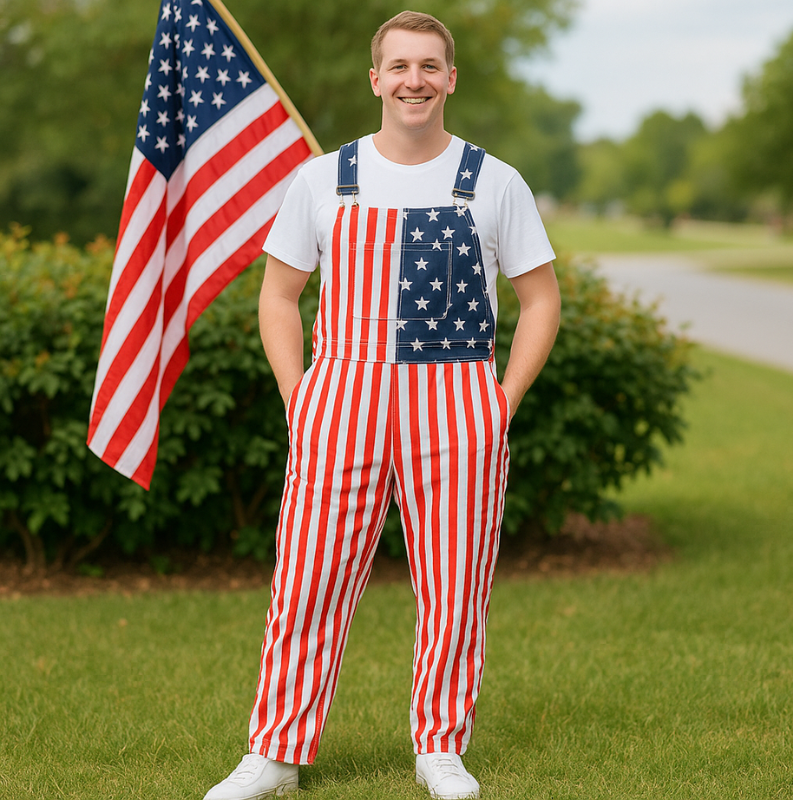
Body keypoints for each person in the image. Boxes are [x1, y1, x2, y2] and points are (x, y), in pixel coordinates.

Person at [204, 10, 560, 800]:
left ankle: (441, 746)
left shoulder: (495, 181)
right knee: (307, 581)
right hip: (342, 401)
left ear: (450, 79)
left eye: (429, 66)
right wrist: (300, 393)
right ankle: (276, 752)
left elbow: (541, 301)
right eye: (399, 66)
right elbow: (278, 296)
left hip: (458, 405)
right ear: (376, 79)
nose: (414, 80)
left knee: (455, 585)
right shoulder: (322, 178)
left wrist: (501, 402)